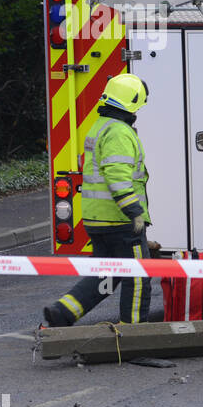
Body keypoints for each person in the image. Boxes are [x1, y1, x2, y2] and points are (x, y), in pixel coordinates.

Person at [42, 74, 153, 327]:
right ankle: (134, 332)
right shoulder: (119, 133)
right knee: (137, 276)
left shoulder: (99, 126)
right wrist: (135, 212)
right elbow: (117, 176)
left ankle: (64, 312)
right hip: (120, 220)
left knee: (107, 274)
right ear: (132, 103)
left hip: (97, 219)